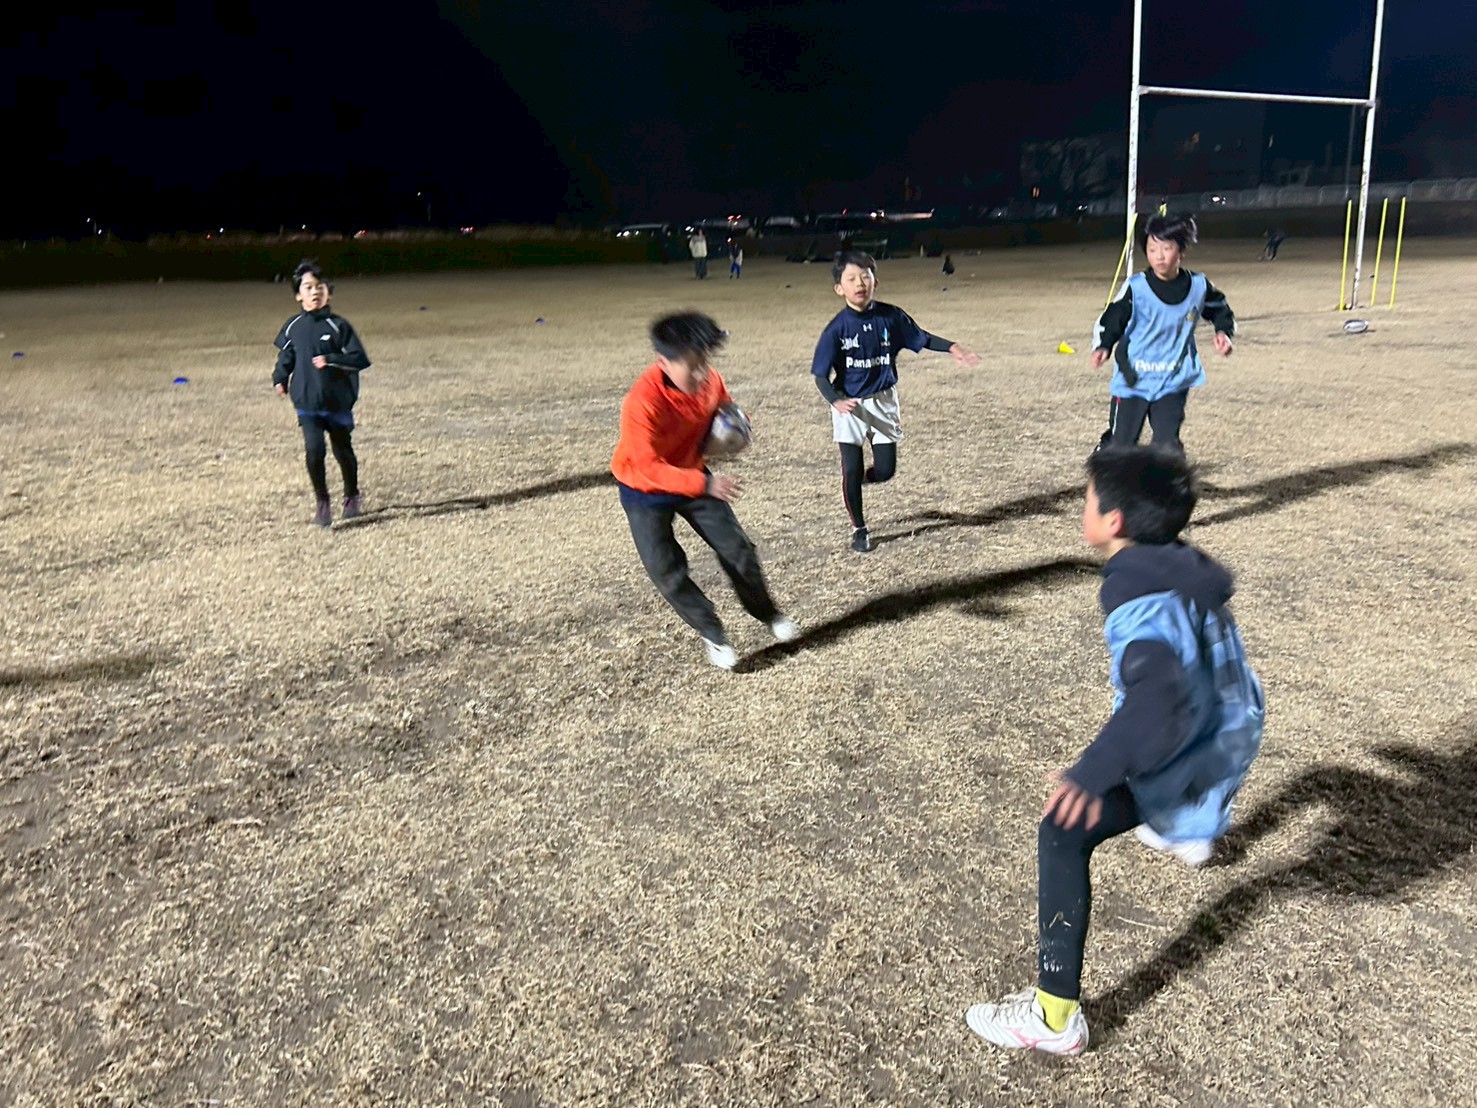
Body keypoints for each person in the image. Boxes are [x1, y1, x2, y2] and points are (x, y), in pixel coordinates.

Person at [965, 445, 1265, 1056]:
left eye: (1087, 500)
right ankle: (1184, 822)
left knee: (1062, 830)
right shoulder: (1181, 564)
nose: (1082, 507)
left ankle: (1053, 1018)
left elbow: (1158, 698)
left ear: (1114, 521)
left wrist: (1091, 772)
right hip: (1228, 733)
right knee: (1163, 797)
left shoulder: (1134, 592)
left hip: (1187, 745)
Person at [611, 311, 798, 669]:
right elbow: (648, 467)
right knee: (665, 569)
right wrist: (706, 483)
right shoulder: (642, 402)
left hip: (692, 473)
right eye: (692, 367)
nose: (702, 375)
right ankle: (712, 632)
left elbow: (726, 409)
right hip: (644, 488)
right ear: (663, 362)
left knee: (738, 548)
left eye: (705, 363)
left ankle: (767, 612)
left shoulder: (710, 380)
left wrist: (737, 427)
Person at [811, 249, 979, 554]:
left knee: (886, 470)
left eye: (865, 276)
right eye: (851, 278)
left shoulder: (891, 317)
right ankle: (859, 529)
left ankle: (859, 482)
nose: (860, 283)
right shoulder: (836, 329)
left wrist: (953, 347)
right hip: (849, 405)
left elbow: (922, 338)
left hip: (883, 401)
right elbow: (820, 375)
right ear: (839, 288)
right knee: (851, 467)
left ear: (875, 281)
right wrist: (835, 401)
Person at [1091, 213, 1235, 455]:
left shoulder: (1199, 286)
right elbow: (1113, 318)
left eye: (1166, 248)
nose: (1159, 256)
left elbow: (1219, 309)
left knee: (1168, 448)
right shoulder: (1136, 288)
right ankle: (1107, 459)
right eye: (1152, 249)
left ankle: (1164, 479)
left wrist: (1223, 331)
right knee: (1121, 446)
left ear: (1182, 251)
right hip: (1133, 378)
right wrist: (1103, 345)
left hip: (1172, 379)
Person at [272, 259, 372, 527]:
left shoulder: (339, 326)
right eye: (308, 287)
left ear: (328, 291)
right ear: (298, 295)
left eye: (320, 286)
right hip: (307, 402)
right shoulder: (293, 326)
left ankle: (351, 496)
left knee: (343, 451)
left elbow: (360, 359)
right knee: (314, 451)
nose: (315, 292)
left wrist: (331, 359)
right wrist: (279, 378)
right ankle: (322, 502)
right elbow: (286, 357)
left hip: (337, 402)